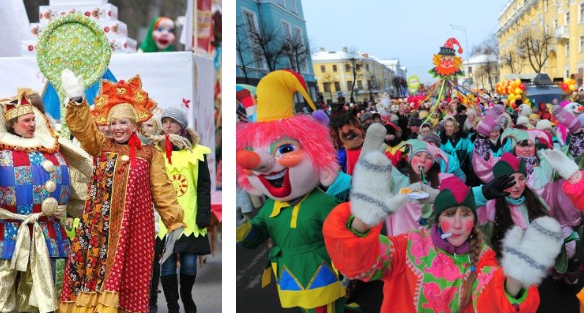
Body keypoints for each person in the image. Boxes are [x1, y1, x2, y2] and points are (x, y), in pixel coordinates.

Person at [323, 122, 563, 311]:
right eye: (449, 214)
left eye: (465, 215)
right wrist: (361, 222)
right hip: (401, 231)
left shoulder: (481, 257)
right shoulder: (405, 246)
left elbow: (493, 304)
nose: (458, 224)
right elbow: (360, 266)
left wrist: (513, 283)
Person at [0, 88, 95, 312]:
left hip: (44, 228)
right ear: (13, 124)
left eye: (34, 119)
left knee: (36, 284)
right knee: (3, 280)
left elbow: (80, 166)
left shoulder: (50, 143)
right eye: (27, 120)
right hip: (8, 227)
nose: (33, 124)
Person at [55, 70, 184, 312]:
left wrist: (174, 223)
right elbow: (83, 129)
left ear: (135, 125)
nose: (117, 128)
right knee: (95, 276)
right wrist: (77, 101)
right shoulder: (101, 146)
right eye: (113, 123)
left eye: (123, 122)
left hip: (135, 231)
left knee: (132, 281)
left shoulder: (150, 155)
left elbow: (163, 190)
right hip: (98, 229)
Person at [236, 70, 348, 311]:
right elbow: (255, 238)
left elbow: (344, 237)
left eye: (285, 149)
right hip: (288, 278)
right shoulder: (269, 207)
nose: (263, 164)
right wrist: (240, 228)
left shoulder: (322, 203)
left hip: (324, 275)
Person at [155, 106, 214, 312]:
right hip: (166, 219)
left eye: (172, 121)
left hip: (190, 216)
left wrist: (203, 215)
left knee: (189, 264)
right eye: (165, 122)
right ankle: (173, 305)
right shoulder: (157, 152)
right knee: (167, 264)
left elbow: (204, 185)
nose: (168, 125)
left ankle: (187, 297)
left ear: (182, 125)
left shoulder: (197, 152)